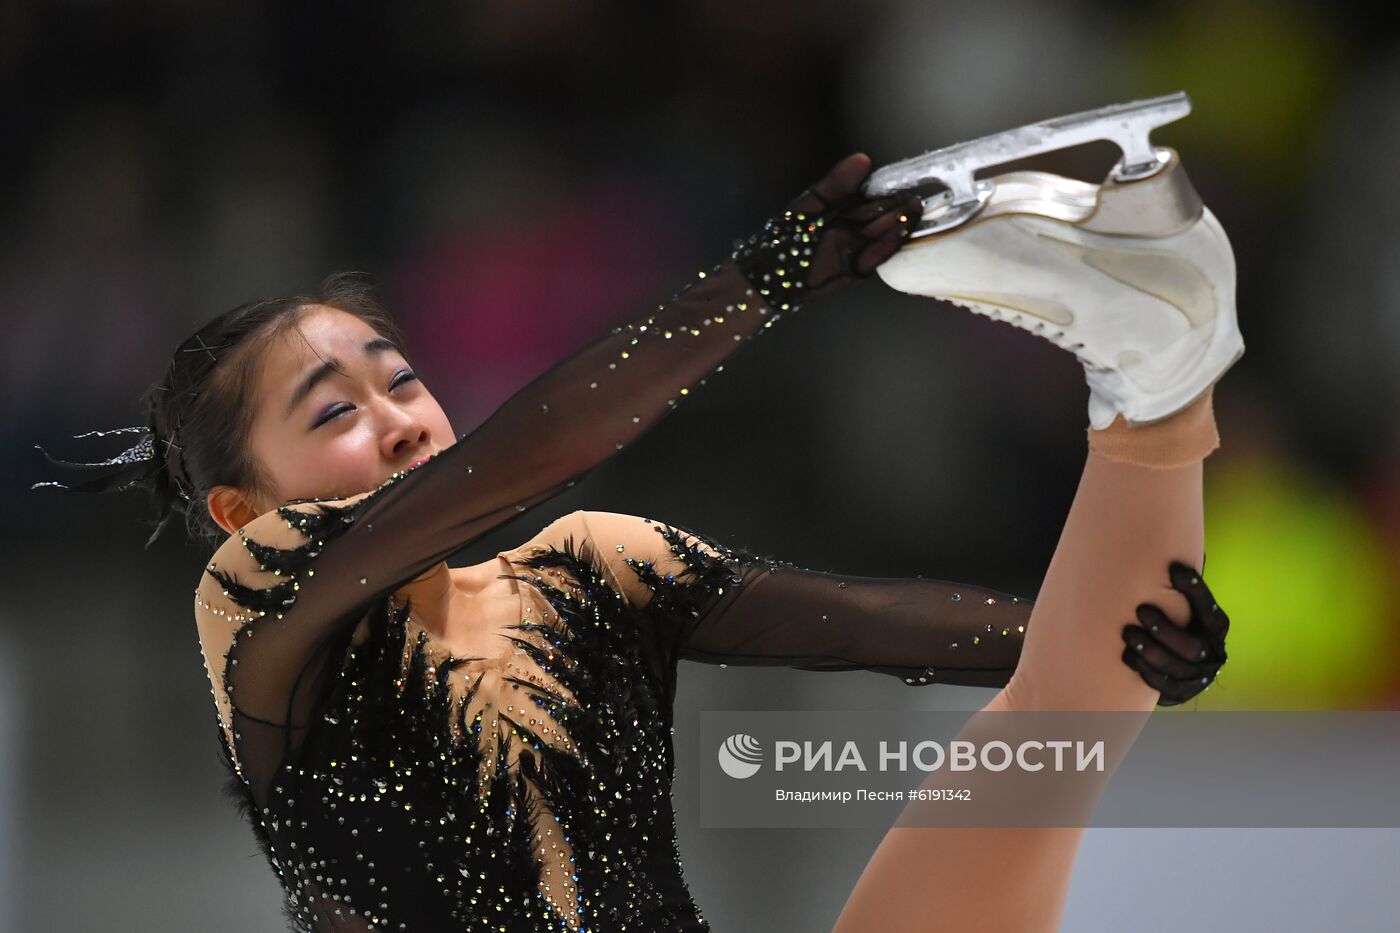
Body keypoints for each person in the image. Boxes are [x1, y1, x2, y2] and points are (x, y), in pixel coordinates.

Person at [33, 153, 1230, 931]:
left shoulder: (587, 570)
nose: (400, 420)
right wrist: (754, 281)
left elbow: (893, 628)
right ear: (243, 509)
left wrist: (1122, 645)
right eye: (336, 413)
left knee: (1053, 711)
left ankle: (1156, 373)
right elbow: (516, 460)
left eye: (400, 381)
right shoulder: (255, 603)